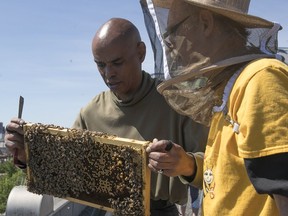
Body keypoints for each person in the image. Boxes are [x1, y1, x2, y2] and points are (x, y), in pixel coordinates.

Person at [5, 18, 208, 216]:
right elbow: (64, 173)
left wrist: (186, 164)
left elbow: (214, 169)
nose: (108, 73)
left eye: (117, 63)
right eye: (100, 65)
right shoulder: (90, 112)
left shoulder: (176, 102)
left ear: (141, 52)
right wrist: (26, 156)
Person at [142, 0, 288, 215]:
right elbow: (230, 179)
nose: (170, 44)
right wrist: (187, 165)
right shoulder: (230, 89)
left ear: (205, 23)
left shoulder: (260, 80)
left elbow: (283, 190)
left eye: (173, 31)